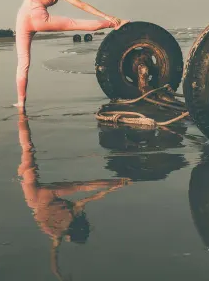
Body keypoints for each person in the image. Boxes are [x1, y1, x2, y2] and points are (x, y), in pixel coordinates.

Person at [17, 110, 130, 280]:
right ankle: (21, 118)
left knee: (82, 186)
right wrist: (58, 274)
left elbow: (90, 196)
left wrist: (114, 185)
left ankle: (21, 116)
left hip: (47, 195)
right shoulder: (56, 235)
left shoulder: (70, 220)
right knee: (26, 155)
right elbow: (53, 257)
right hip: (33, 197)